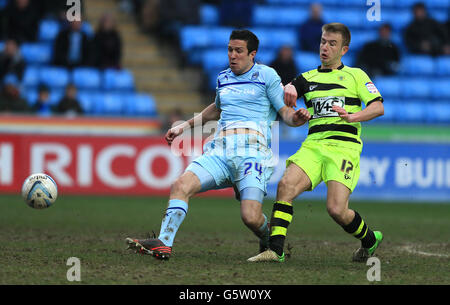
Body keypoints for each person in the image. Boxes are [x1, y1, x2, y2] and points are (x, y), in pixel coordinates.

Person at [125, 29, 311, 260]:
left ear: (252, 54)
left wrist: (297, 119)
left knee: (251, 217)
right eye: (230, 50)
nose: (232, 55)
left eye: (239, 51)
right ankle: (164, 242)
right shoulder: (223, 78)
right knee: (180, 185)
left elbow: (285, 112)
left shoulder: (267, 76)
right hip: (220, 152)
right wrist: (183, 126)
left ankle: (269, 240)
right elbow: (214, 109)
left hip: (253, 154)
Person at [248, 23, 384, 263]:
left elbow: (377, 107)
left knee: (336, 210)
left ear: (344, 50)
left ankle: (370, 240)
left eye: (332, 44)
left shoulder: (357, 75)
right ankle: (276, 250)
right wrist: (289, 90)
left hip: (344, 147)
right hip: (313, 146)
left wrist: (353, 116)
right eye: (323, 41)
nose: (325, 47)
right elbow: (286, 94)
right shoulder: (307, 78)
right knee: (285, 185)